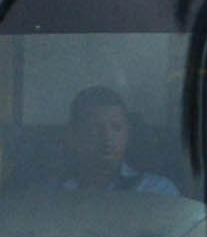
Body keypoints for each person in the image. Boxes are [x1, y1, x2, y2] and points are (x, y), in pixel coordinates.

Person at [48, 83, 179, 195]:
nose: (107, 137)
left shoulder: (157, 190)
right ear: (73, 135)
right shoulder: (52, 192)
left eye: (117, 128)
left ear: (128, 133)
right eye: (95, 128)